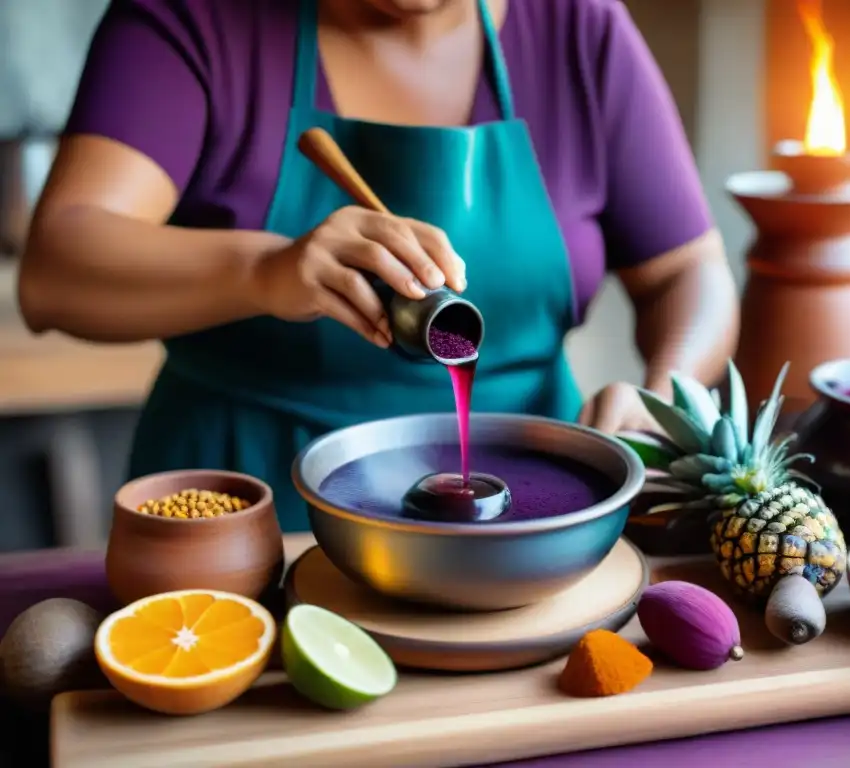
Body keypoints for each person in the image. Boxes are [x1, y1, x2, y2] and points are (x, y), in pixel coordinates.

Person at [18, 0, 739, 532]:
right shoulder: (195, 19)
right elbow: (57, 269)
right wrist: (265, 271)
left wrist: (661, 393)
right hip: (248, 515)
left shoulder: (580, 28)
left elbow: (690, 274)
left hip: (529, 522)